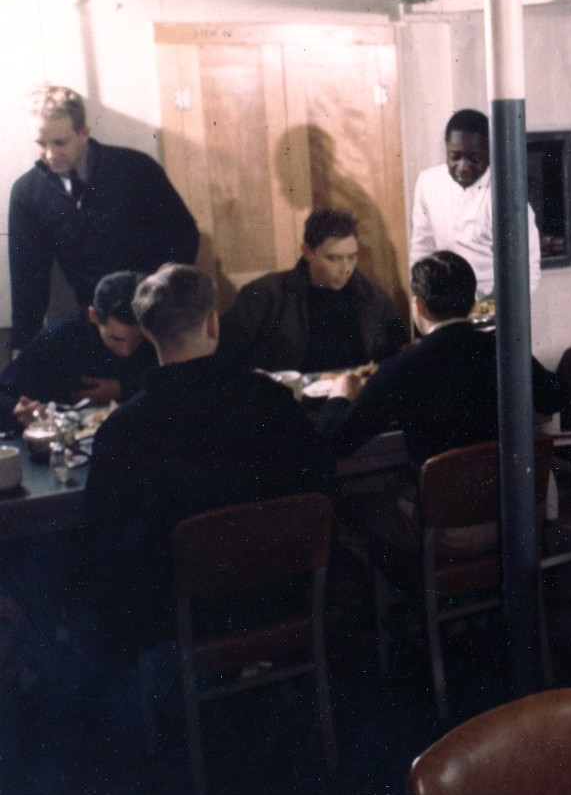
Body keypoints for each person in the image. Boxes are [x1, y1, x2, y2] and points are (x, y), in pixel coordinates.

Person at [82, 264, 333, 661]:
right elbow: (321, 477)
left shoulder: (124, 428)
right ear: (213, 323)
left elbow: (101, 537)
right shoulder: (272, 399)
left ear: (147, 334)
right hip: (282, 591)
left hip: (183, 615)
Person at [317, 250, 560, 559]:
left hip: (442, 534)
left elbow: (334, 440)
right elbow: (553, 397)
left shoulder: (400, 368)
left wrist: (340, 393)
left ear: (418, 306)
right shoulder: (506, 349)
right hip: (516, 519)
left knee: (361, 503)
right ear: (472, 304)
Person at [8, 85, 198, 355]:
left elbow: (184, 237)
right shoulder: (28, 193)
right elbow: (27, 277)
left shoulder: (135, 169)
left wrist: (159, 303)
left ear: (84, 132)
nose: (50, 155)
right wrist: (21, 346)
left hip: (153, 317)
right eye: (41, 143)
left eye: (60, 142)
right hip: (94, 320)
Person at [218, 208, 408, 374]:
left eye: (352, 257)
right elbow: (228, 355)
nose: (346, 268)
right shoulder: (265, 295)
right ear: (307, 252)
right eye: (334, 258)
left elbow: (398, 351)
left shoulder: (372, 297)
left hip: (356, 402)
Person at [408, 109, 541, 300]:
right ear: (446, 149)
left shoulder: (506, 196)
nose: (462, 166)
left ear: (490, 152)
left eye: (474, 158)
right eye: (455, 156)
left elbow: (527, 268)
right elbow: (422, 247)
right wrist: (420, 297)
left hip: (490, 309)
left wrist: (496, 309)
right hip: (440, 306)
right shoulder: (428, 182)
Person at [0, 270, 155, 433]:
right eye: (116, 339)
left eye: (138, 339)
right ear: (93, 316)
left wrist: (123, 389)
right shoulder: (62, 335)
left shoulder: (159, 334)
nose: (126, 352)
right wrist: (16, 411)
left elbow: (178, 386)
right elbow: (5, 390)